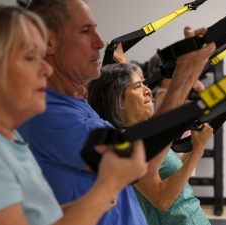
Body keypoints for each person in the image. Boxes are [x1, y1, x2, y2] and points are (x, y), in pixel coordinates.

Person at [18, 0, 215, 224]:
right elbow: (143, 166)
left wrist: (190, 72)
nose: (99, 42)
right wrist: (183, 75)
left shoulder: (77, 105)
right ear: (49, 41)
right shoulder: (51, 115)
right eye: (85, 31)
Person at [0, 4, 148, 225]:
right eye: (30, 58)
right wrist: (105, 188)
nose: (46, 69)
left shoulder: (9, 141)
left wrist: (95, 199)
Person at [88, 62, 213, 225]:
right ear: (118, 100)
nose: (148, 91)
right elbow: (162, 200)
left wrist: (196, 146)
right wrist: (198, 152)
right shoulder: (126, 143)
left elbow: (169, 172)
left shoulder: (142, 135)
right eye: (138, 86)